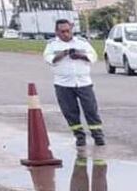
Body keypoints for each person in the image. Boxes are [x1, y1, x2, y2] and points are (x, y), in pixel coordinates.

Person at [42, 19, 105, 147]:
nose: (66, 34)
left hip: (83, 83)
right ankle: (79, 136)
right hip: (63, 84)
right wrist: (63, 54)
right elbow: (49, 59)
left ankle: (98, 135)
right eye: (62, 31)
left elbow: (93, 57)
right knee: (70, 112)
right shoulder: (52, 45)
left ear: (71, 29)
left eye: (68, 31)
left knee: (91, 110)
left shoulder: (82, 42)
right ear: (57, 32)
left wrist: (80, 56)